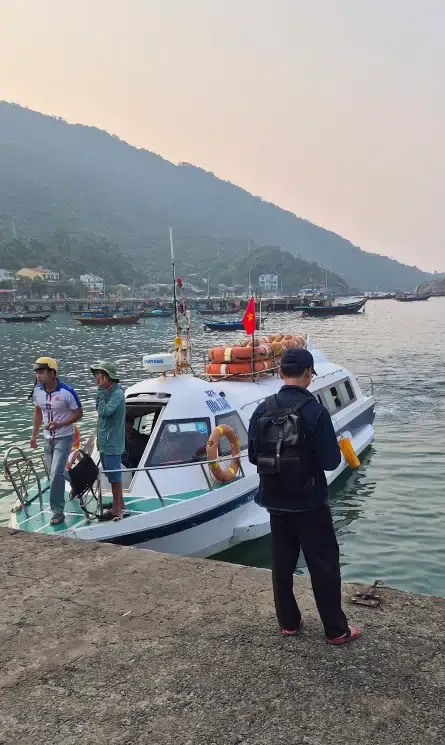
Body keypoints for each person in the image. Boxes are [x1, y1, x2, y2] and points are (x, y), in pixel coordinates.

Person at [248, 348, 359, 645]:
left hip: (274, 500)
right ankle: (336, 630)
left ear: (280, 374)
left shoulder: (262, 409)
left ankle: (289, 623)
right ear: (309, 374)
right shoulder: (314, 411)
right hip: (310, 502)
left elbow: (252, 456)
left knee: (282, 563)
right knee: (323, 564)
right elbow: (330, 462)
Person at [29, 356, 83, 525]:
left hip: (64, 437)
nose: (38, 375)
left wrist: (60, 424)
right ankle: (78, 482)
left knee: (55, 474)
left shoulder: (67, 392)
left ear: (52, 372)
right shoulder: (37, 391)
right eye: (37, 372)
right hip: (47, 438)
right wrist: (33, 435)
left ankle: (57, 511)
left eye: (41, 371)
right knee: (55, 473)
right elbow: (38, 412)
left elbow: (78, 413)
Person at [91, 360, 126, 520]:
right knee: (111, 474)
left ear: (108, 377)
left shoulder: (117, 393)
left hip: (112, 442)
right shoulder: (106, 392)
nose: (97, 378)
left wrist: (99, 391)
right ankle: (118, 502)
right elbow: (99, 409)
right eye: (97, 375)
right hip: (105, 441)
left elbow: (104, 412)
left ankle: (117, 508)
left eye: (100, 375)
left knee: (114, 476)